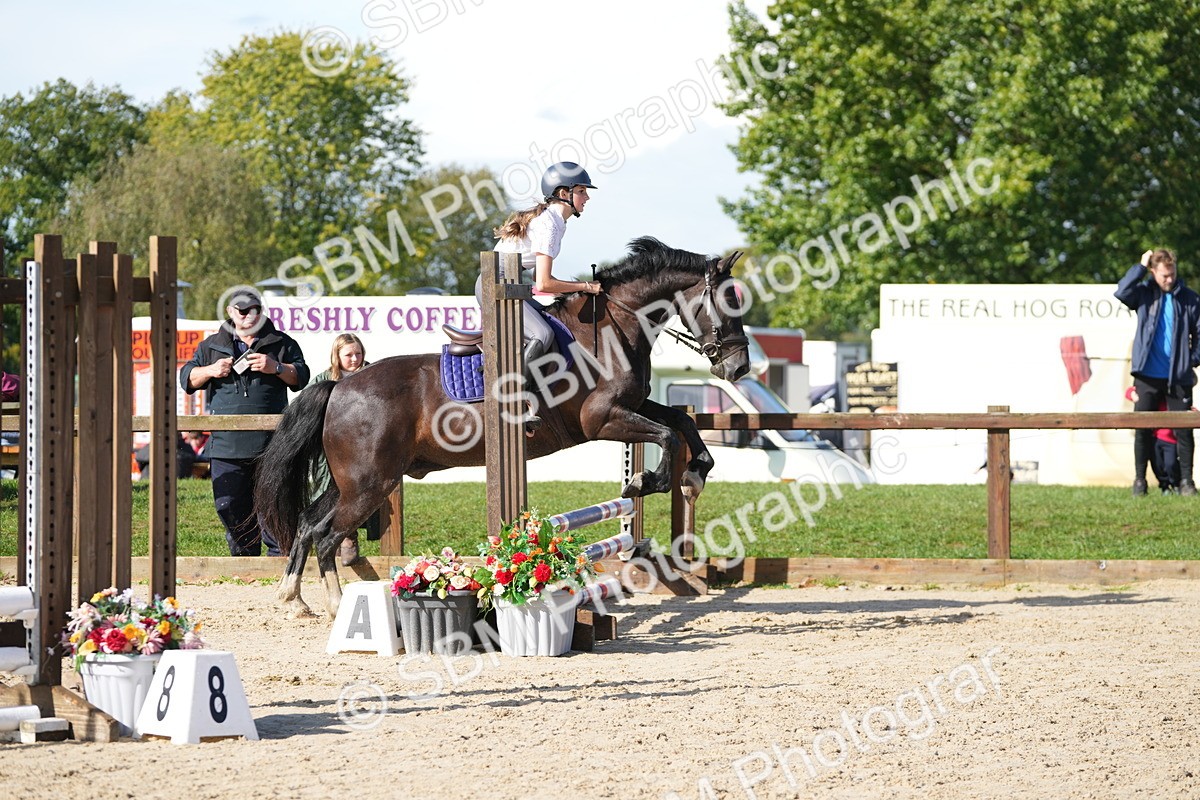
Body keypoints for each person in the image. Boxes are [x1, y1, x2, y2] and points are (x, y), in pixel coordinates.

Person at [180, 289, 309, 554]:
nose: (248, 315)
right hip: (227, 446)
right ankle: (244, 563)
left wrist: (277, 368)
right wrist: (211, 370)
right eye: (242, 310)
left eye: (254, 310)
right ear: (230, 312)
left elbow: (302, 377)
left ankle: (277, 564)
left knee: (274, 506)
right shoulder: (210, 345)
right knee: (229, 506)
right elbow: (186, 379)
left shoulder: (281, 342)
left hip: (271, 446)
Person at [476, 161, 603, 427]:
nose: (587, 197)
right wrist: (584, 287)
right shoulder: (550, 224)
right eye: (582, 190)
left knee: (550, 322)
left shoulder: (556, 222)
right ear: (564, 193)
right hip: (497, 284)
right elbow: (544, 283)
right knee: (542, 334)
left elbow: (538, 281)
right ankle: (513, 400)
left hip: (512, 284)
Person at [1114, 248, 1200, 496]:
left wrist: (1190, 361)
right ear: (1153, 272)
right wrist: (1140, 266)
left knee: (1184, 430)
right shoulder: (1143, 294)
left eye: (1172, 274)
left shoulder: (1190, 299)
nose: (1169, 279)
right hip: (1147, 375)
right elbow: (1122, 291)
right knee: (1142, 428)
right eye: (1164, 275)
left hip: (1179, 377)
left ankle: (1186, 483)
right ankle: (1140, 482)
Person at [309, 333, 378, 565]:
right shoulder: (323, 378)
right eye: (348, 354)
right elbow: (306, 409)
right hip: (332, 445)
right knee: (328, 490)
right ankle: (332, 536)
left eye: (358, 353)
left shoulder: (375, 376)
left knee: (361, 491)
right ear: (337, 355)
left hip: (365, 446)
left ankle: (349, 535)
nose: (354, 359)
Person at [1125, 386, 1181, 493]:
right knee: (1158, 465)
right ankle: (1164, 486)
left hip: (1171, 439)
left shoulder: (1174, 396)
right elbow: (1130, 391)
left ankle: (1175, 484)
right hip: (1156, 437)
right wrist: (1134, 395)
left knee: (1171, 463)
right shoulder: (1151, 392)